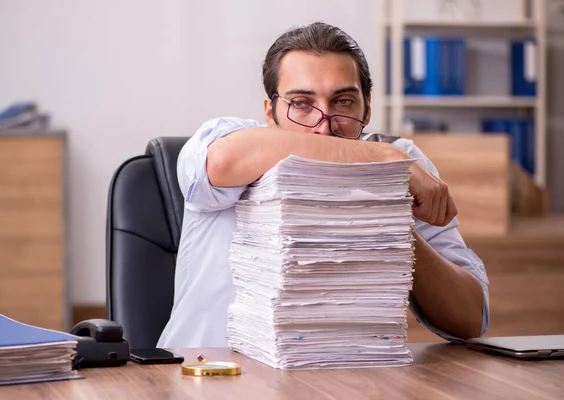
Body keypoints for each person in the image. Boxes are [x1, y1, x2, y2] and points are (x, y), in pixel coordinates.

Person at [157, 22, 489, 348]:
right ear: (270, 112)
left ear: (367, 107)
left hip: (339, 377)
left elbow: (469, 319)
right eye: (301, 104)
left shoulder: (403, 163)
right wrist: (380, 158)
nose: (323, 124)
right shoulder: (228, 139)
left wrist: (389, 219)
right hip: (208, 376)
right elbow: (222, 162)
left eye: (343, 101)